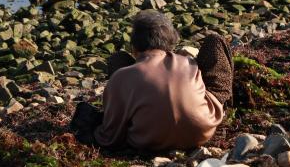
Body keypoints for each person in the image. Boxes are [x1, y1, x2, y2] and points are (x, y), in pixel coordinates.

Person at [71, 10, 234, 152]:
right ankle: (225, 106)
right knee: (215, 41)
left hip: (147, 140)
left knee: (118, 59)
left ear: (134, 46)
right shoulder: (188, 63)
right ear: (170, 43)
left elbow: (111, 134)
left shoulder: (121, 76)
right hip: (202, 131)